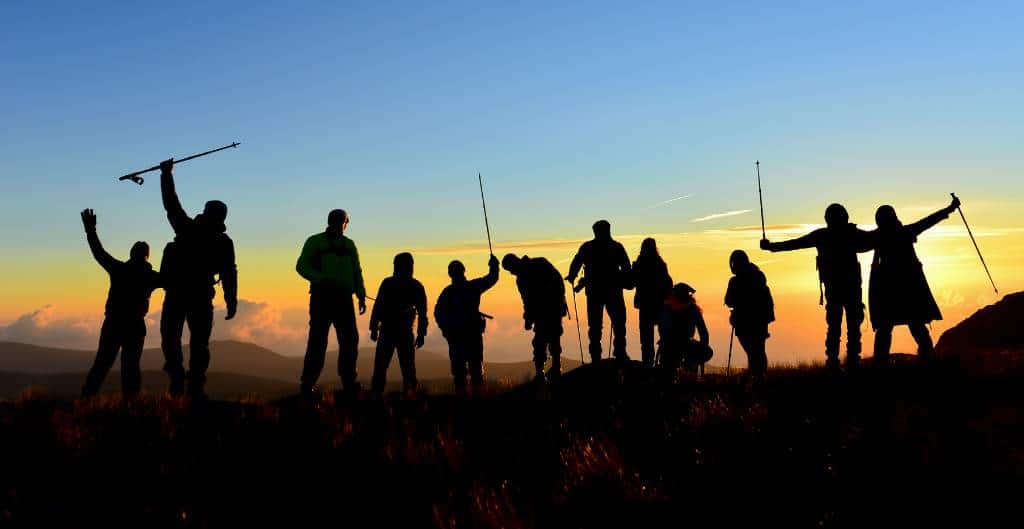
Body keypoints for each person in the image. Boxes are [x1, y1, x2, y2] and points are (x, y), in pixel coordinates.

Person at [158, 159, 237, 398]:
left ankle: (178, 382)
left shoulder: (186, 229)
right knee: (198, 345)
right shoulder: (223, 242)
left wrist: (166, 174)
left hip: (178, 294)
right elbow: (228, 272)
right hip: (201, 297)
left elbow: (171, 204)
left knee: (171, 340)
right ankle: (193, 388)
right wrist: (231, 300)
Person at [760, 204, 872, 369]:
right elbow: (874, 239)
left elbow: (795, 244)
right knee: (852, 328)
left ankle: (833, 362)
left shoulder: (822, 236)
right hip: (851, 289)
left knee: (835, 327)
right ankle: (852, 361)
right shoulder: (851, 233)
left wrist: (771, 247)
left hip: (834, 290)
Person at [79, 209, 162, 398]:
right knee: (130, 367)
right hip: (134, 325)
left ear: (131, 253)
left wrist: (90, 231)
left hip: (114, 323)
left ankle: (87, 398)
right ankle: (130, 404)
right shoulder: (150, 276)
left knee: (102, 363)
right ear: (147, 256)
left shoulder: (119, 269)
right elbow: (174, 279)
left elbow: (98, 253)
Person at [868, 196, 960, 365]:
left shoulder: (876, 237)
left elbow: (856, 242)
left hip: (887, 290)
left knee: (885, 328)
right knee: (915, 325)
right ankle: (928, 359)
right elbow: (928, 221)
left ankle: (880, 365)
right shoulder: (905, 232)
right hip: (909, 287)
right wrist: (950, 208)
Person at [296, 209, 367, 395]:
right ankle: (309, 384)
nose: (343, 225)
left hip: (342, 299)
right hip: (323, 298)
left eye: (343, 222)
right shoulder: (316, 242)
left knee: (348, 341)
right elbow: (301, 266)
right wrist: (321, 279)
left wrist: (360, 294)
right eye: (342, 221)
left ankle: (346, 382)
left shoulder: (348, 244)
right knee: (320, 342)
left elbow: (357, 271)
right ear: (333, 222)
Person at [565, 220, 633, 362]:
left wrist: (572, 275)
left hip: (594, 291)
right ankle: (620, 352)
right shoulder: (616, 247)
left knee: (595, 326)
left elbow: (577, 261)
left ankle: (596, 355)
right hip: (613, 291)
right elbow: (626, 267)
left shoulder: (588, 247)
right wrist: (627, 280)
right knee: (618, 323)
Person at [435, 255, 499, 395]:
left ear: (450, 274)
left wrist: (446, 330)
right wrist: (494, 266)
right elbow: (492, 278)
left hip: (457, 336)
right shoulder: (472, 287)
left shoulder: (448, 292)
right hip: (471, 334)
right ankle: (477, 399)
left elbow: (438, 313)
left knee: (460, 372)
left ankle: (463, 399)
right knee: (475, 369)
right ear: (463, 270)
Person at [502, 253, 568, 381]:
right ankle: (548, 369)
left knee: (545, 339)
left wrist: (529, 317)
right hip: (548, 310)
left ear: (515, 263)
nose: (511, 272)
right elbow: (527, 301)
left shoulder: (535, 266)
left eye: (510, 269)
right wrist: (528, 318)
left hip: (551, 308)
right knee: (547, 339)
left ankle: (547, 370)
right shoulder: (536, 266)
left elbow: (557, 283)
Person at [368, 252, 428, 395]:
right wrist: (421, 334)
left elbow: (378, 307)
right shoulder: (415, 285)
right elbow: (422, 313)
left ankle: (377, 397)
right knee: (406, 369)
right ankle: (410, 397)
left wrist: (374, 328)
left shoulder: (388, 283)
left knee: (382, 368)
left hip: (390, 331)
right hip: (401, 332)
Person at [724, 250, 775, 376]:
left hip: (743, 321)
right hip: (760, 320)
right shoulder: (759, 276)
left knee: (752, 351)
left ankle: (756, 376)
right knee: (758, 350)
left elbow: (728, 301)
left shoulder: (735, 281)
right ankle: (759, 376)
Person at [631, 238, 673, 367]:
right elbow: (669, 284)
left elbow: (631, 282)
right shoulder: (660, 264)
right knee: (664, 337)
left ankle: (647, 365)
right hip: (660, 305)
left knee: (646, 339)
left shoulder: (639, 264)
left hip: (645, 305)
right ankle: (664, 365)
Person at [658, 283, 711, 373]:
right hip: (681, 344)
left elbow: (662, 328)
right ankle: (688, 371)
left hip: (669, 345)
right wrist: (702, 347)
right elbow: (703, 332)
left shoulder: (666, 307)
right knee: (706, 352)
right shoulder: (693, 309)